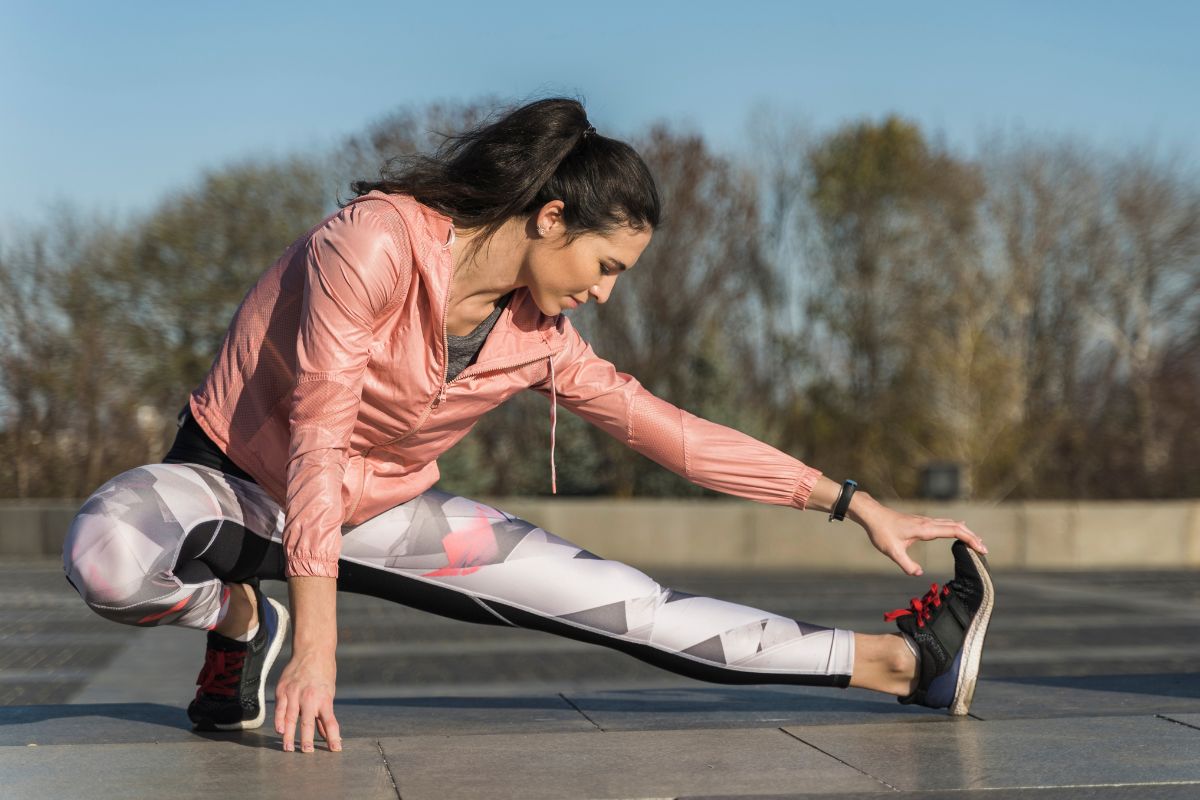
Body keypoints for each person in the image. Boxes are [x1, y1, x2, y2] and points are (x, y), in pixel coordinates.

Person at [62, 98, 994, 754]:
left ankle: (909, 666)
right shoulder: (374, 242)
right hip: (236, 479)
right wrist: (314, 646)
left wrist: (851, 502)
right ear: (551, 217)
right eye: (606, 265)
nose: (605, 292)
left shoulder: (540, 339)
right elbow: (316, 438)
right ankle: (239, 618)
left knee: (637, 609)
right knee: (108, 550)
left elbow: (673, 434)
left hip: (379, 509)